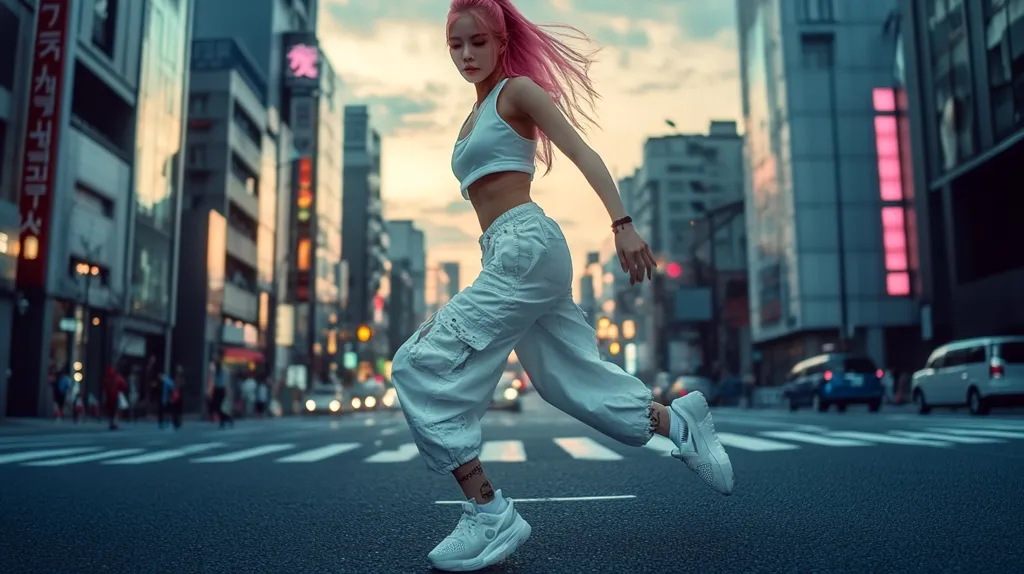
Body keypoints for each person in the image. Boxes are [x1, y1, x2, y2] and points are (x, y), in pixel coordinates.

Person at [388, 1, 736, 571]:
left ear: (501, 43)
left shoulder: (516, 91)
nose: (468, 54)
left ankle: (487, 512)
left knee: (417, 365)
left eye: (478, 42)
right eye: (457, 45)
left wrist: (622, 224)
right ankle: (680, 424)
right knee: (564, 380)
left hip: (524, 247)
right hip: (510, 251)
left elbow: (581, 151)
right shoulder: (474, 112)